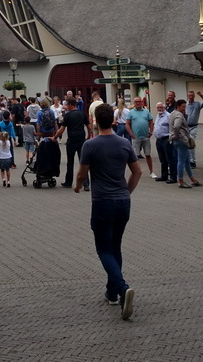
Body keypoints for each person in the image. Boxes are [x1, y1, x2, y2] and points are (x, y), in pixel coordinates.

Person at [74, 103, 141, 321]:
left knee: (104, 249)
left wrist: (77, 187)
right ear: (113, 120)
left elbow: (82, 174)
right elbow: (137, 172)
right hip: (122, 201)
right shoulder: (124, 143)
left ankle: (122, 288)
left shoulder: (90, 145)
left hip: (102, 202)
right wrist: (127, 191)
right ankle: (112, 293)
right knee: (116, 246)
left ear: (94, 121)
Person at [57, 97, 91, 190]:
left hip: (71, 141)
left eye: (67, 104)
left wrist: (55, 137)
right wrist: (88, 136)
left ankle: (68, 182)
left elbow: (62, 129)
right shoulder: (82, 114)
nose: (66, 106)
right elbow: (89, 126)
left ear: (71, 105)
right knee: (83, 162)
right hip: (81, 140)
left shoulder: (68, 116)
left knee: (70, 162)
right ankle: (86, 183)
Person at [169, 100, 200, 188]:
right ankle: (181, 181)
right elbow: (176, 126)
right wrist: (178, 135)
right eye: (183, 106)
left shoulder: (172, 113)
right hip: (181, 140)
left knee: (186, 161)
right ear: (178, 106)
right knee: (181, 161)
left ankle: (193, 179)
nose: (184, 108)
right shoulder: (179, 115)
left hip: (176, 140)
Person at [125, 98, 154, 179]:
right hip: (136, 137)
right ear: (134, 103)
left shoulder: (146, 112)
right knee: (135, 156)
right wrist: (131, 134)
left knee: (148, 155)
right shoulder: (131, 113)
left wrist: (151, 132)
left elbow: (151, 121)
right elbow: (127, 124)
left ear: (141, 102)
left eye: (139, 101)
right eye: (136, 102)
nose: (138, 103)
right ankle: (136, 172)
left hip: (145, 137)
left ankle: (151, 172)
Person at [152, 102, 176, 183]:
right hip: (159, 140)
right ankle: (164, 175)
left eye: (161, 107)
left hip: (166, 139)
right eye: (158, 107)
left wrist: (171, 138)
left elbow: (172, 128)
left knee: (170, 159)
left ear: (164, 108)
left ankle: (173, 177)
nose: (159, 109)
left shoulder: (168, 116)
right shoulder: (158, 116)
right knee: (162, 159)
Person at [185, 91, 203, 167]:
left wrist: (201, 96)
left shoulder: (198, 103)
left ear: (194, 96)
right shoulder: (186, 104)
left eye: (191, 96)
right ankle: (188, 159)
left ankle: (192, 161)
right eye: (189, 95)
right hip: (186, 127)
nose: (190, 97)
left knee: (191, 142)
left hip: (193, 126)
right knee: (185, 143)